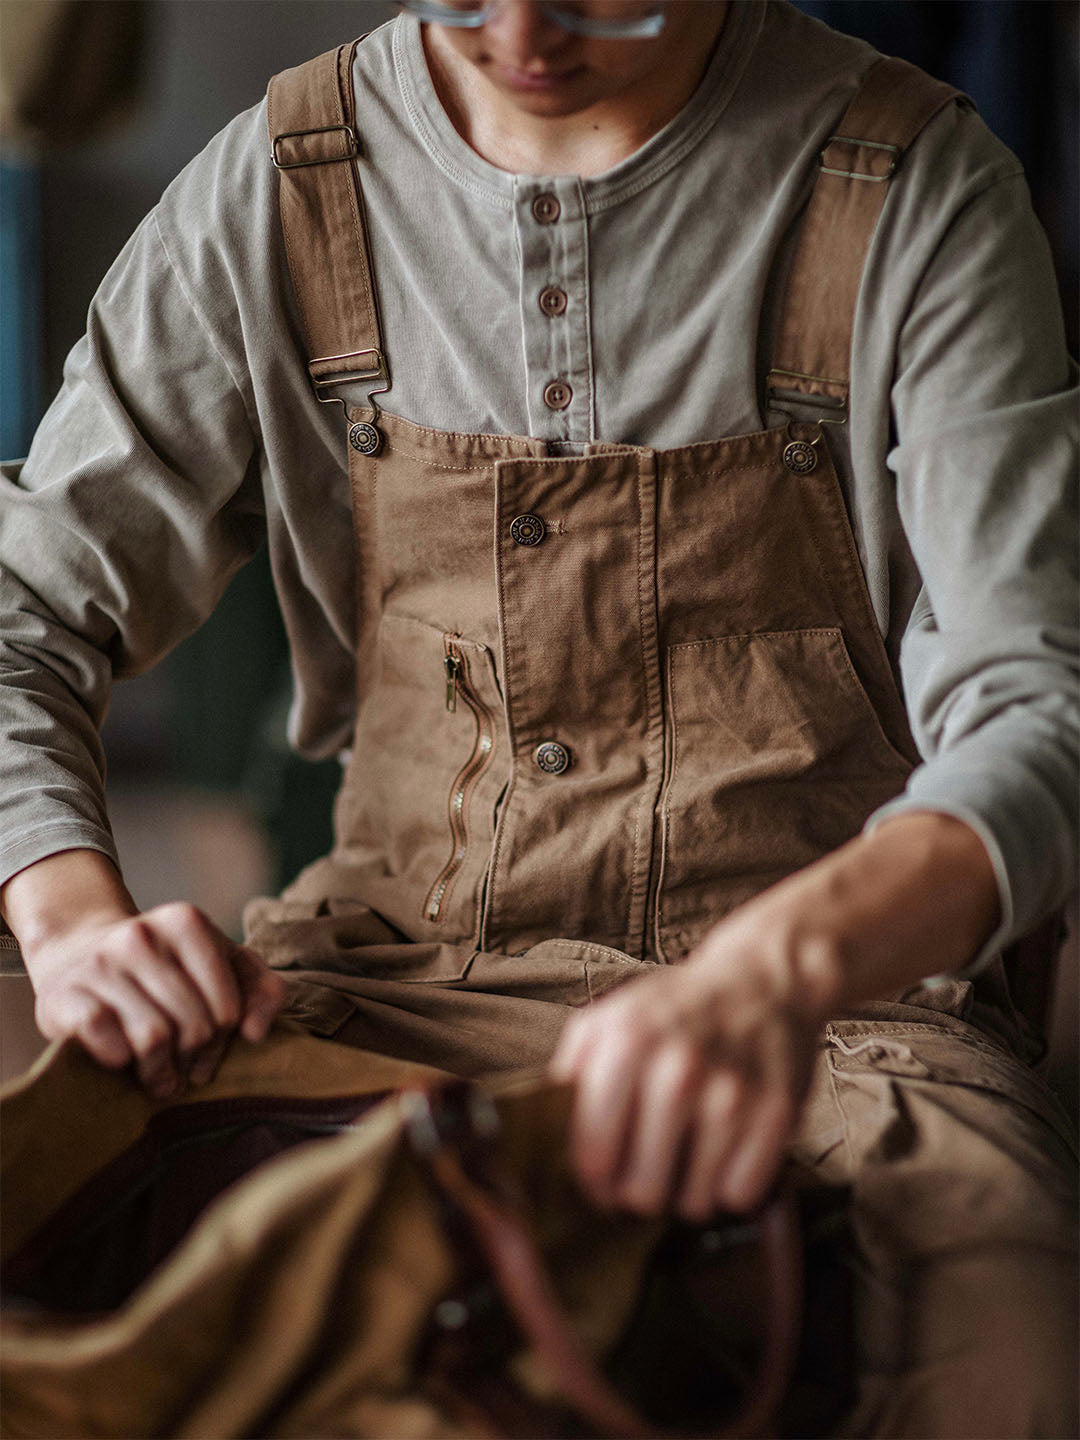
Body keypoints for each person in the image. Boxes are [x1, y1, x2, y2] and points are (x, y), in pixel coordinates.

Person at [0, 1, 1076, 1432]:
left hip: (844, 1018)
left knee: (995, 1336)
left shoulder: (915, 187)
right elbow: (25, 611)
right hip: (400, 979)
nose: (522, 35)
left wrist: (779, 969)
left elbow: (1040, 698)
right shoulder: (283, 184)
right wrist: (71, 925)